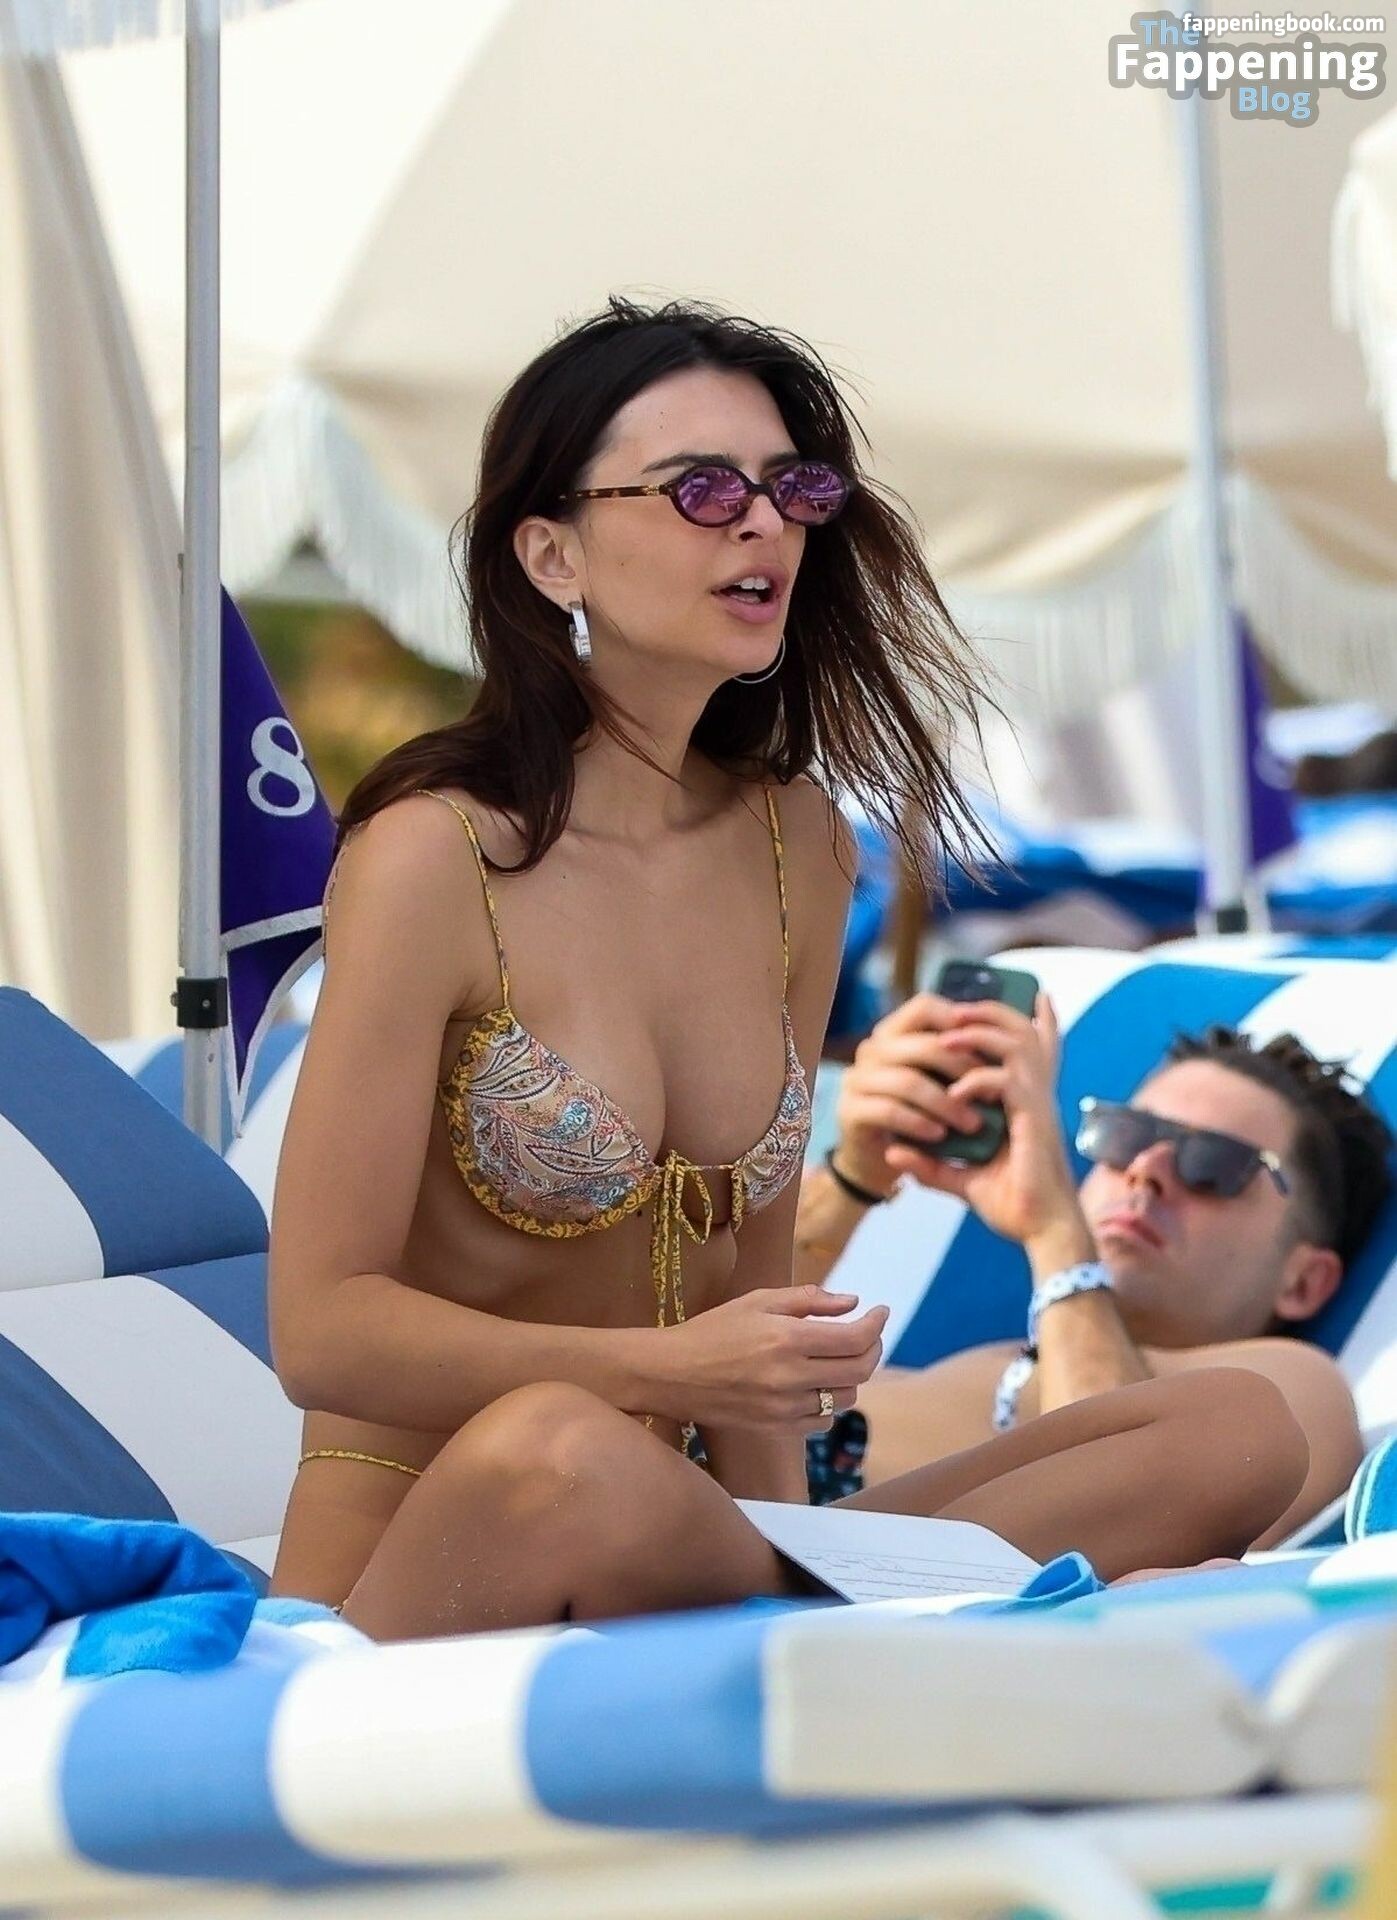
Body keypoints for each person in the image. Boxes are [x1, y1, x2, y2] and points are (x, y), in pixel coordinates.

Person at [266, 297, 1307, 1637]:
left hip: (698, 1548)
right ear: (551, 552)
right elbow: (322, 1331)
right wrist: (666, 1371)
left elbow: (757, 1294)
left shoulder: (795, 847)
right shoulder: (434, 855)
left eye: (791, 488)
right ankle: (887, 1624)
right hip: (442, 1557)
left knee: (1235, 1427)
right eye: (701, 489)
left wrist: (793, 1526)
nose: (761, 523)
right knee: (561, 1443)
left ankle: (819, 1628)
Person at [795, 989, 1393, 1545]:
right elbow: (741, 1332)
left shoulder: (1288, 1392)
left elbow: (1105, 1535)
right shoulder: (974, 1364)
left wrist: (1055, 1229)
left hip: (807, 1558)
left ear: (1303, 1282)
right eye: (1126, 1136)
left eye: (1213, 1164)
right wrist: (856, 1175)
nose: (1146, 1170)